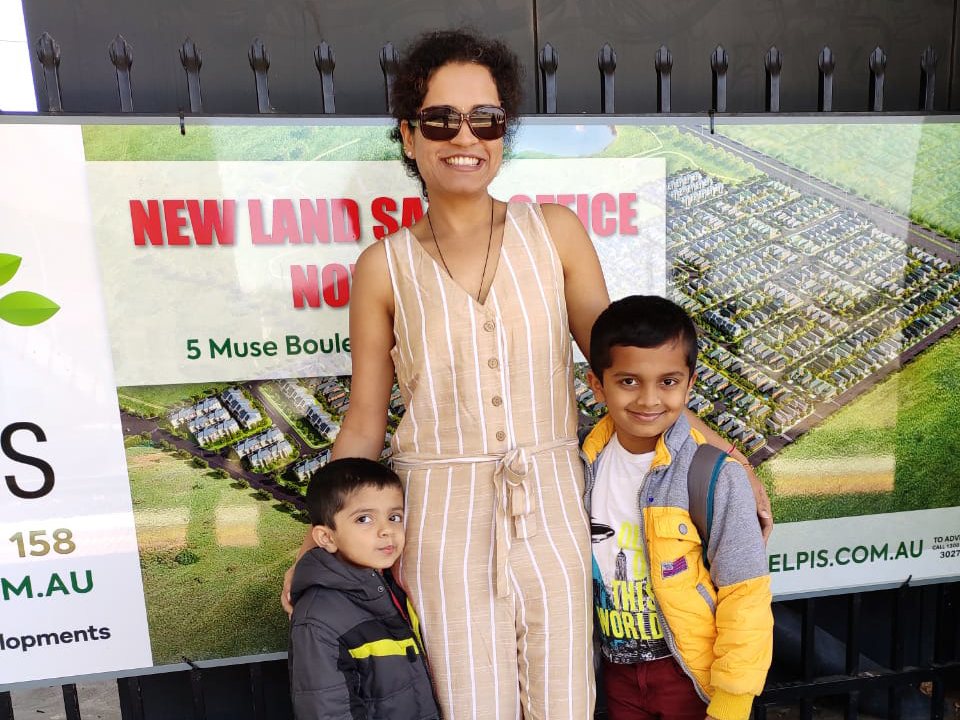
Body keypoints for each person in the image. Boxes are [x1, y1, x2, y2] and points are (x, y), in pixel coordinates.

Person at [282, 29, 772, 719]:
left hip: (553, 503)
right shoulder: (381, 267)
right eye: (440, 119)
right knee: (469, 704)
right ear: (408, 135)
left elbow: (628, 377)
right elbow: (365, 417)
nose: (465, 136)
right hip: (439, 517)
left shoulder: (556, 234)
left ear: (504, 132)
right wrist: (320, 536)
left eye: (486, 119)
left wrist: (722, 454)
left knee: (565, 702)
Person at [582, 295, 773, 720]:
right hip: (616, 678)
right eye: (629, 381)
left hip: (690, 680)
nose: (649, 400)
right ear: (598, 384)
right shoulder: (580, 467)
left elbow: (746, 592)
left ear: (690, 383)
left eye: (667, 382)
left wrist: (733, 701)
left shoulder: (715, 474)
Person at [288, 457, 441, 720]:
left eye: (394, 517)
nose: (386, 530)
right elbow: (327, 711)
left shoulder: (396, 587)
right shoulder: (318, 620)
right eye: (364, 519)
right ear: (327, 537)